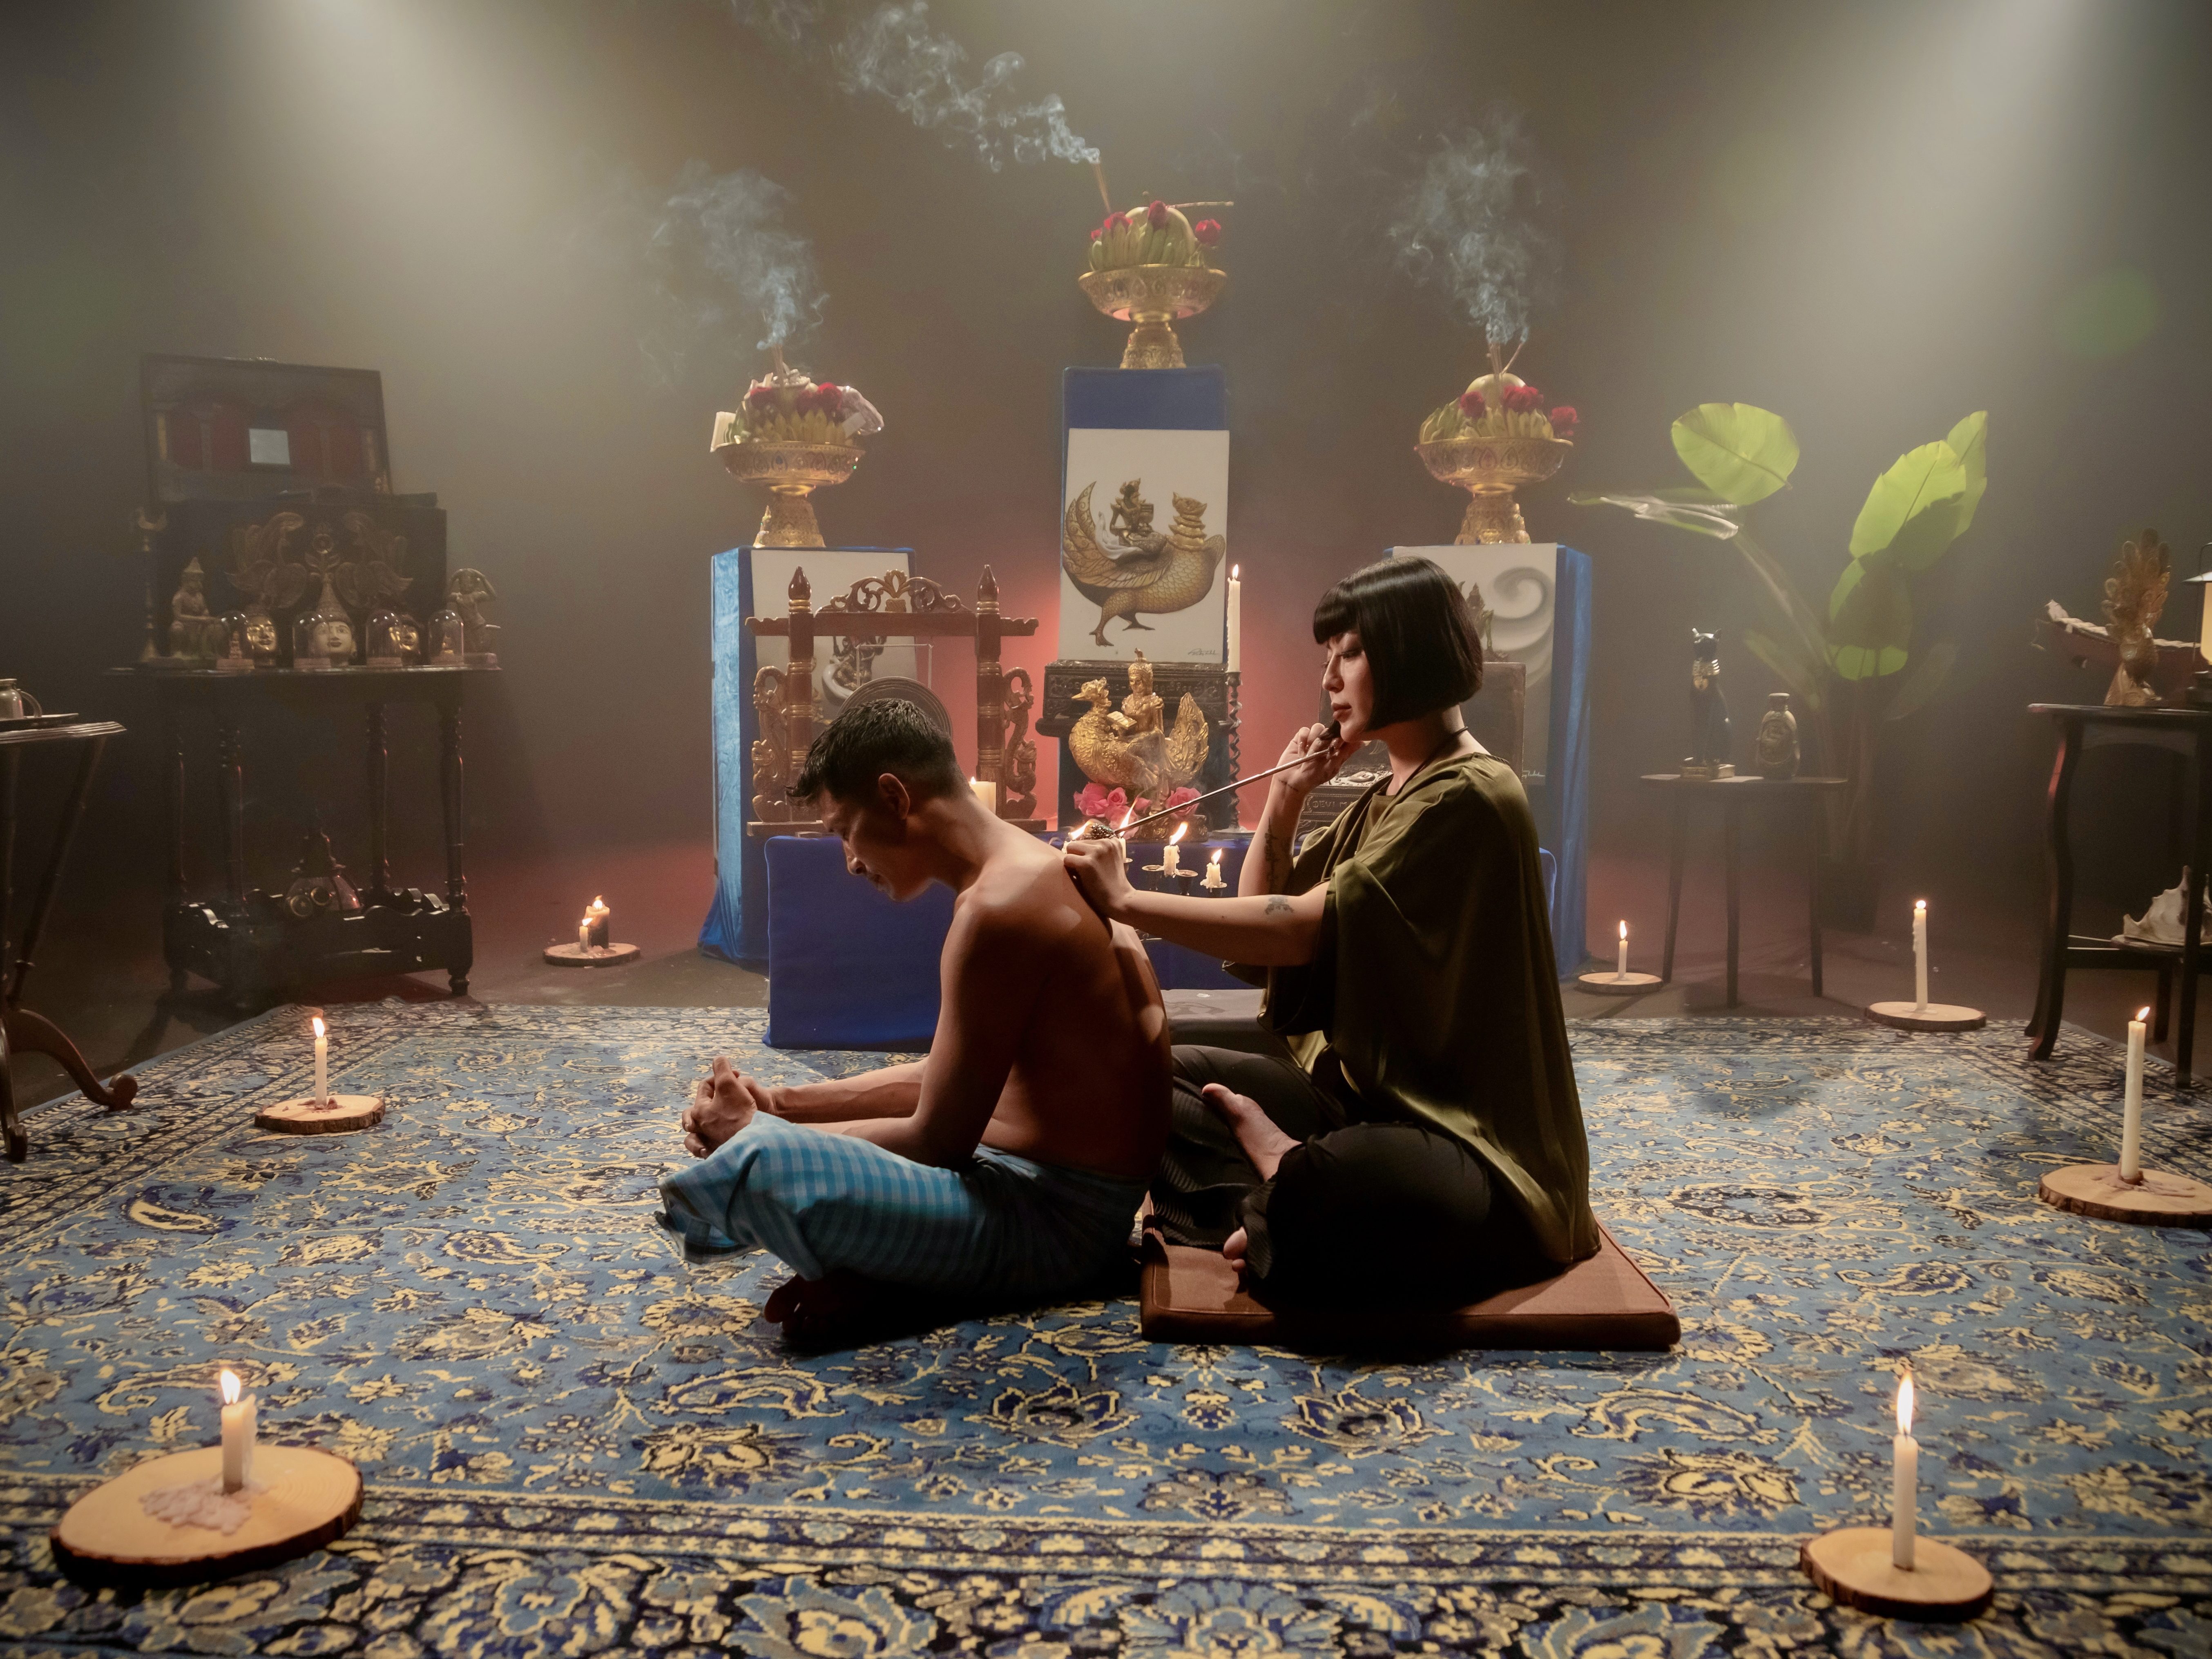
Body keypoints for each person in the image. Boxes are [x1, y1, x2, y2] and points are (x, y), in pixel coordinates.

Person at [1065, 556, 1599, 1306]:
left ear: (1408, 654)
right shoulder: (1388, 792)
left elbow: (1295, 932)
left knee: (1343, 1186)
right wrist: (1284, 799)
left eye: (1349, 654)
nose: (1330, 679)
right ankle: (1280, 1200)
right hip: (1356, 1101)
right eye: (1328, 658)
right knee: (1152, 1074)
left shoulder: (1472, 795)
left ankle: (1284, 1189)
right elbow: (1265, 906)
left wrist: (1127, 899)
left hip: (1461, 1134)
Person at [661, 699, 1170, 1345]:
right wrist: (783, 1104)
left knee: (766, 1163)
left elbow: (937, 1140)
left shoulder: (999, 908)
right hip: (1043, 1184)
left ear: (895, 798)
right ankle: (897, 1274)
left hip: (1059, 1227)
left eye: (846, 831)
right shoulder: (1026, 868)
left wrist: (754, 1131)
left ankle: (903, 1278)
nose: (850, 860)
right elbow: (948, 1078)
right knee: (778, 1141)